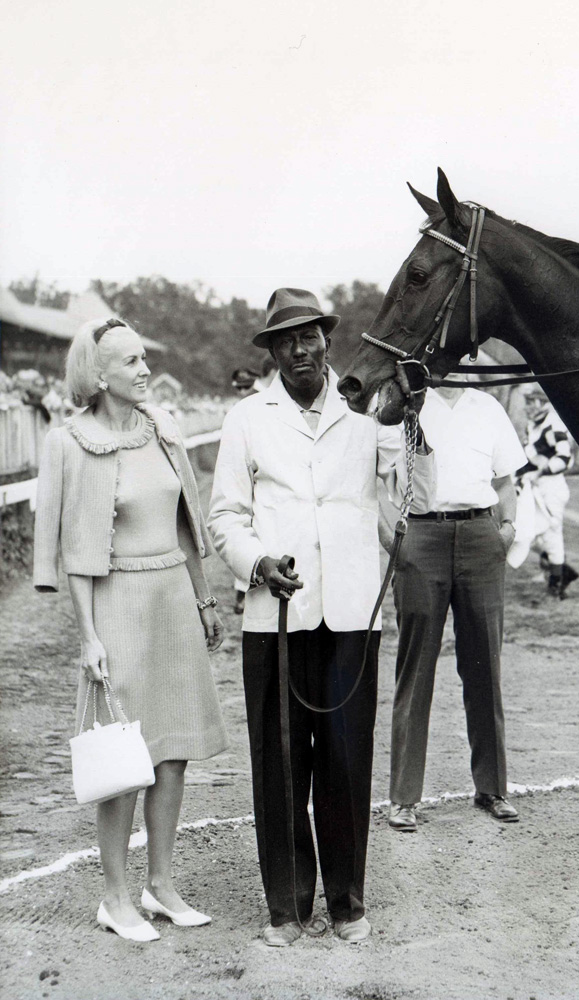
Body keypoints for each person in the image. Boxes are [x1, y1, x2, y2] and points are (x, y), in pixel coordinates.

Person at [207, 288, 404, 946]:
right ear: (271, 350)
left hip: (351, 612)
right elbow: (225, 518)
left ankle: (348, 903)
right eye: (285, 340)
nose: (299, 349)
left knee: (347, 763)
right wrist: (258, 562)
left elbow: (409, 495)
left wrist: (409, 421)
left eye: (309, 336)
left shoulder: (366, 413)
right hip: (277, 617)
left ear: (327, 338)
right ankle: (286, 908)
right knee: (281, 762)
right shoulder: (246, 419)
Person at [34, 317, 229, 943]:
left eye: (145, 358)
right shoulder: (69, 442)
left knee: (172, 753)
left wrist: (205, 601)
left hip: (174, 595)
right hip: (117, 602)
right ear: (98, 375)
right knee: (124, 759)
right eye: (132, 362)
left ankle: (160, 885)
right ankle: (114, 896)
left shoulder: (162, 430)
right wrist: (88, 636)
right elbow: (74, 551)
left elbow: (183, 525)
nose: (146, 370)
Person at [387, 382, 525, 832]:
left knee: (485, 664)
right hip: (422, 536)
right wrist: (394, 539)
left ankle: (493, 788)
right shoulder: (402, 405)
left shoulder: (486, 405)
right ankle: (404, 798)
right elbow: (372, 476)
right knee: (416, 666)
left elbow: (506, 480)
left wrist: (506, 529)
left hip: (479, 536)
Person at [517, 388, 578, 599]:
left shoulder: (554, 423)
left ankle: (556, 583)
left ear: (541, 403)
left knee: (551, 533)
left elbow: (564, 458)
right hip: (535, 485)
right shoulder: (533, 425)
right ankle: (559, 570)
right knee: (530, 532)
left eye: (531, 401)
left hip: (551, 485)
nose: (528, 406)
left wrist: (541, 471)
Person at [227, 368, 259, 614]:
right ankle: (241, 595)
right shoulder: (236, 412)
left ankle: (246, 594)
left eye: (246, 387)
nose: (242, 392)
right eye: (238, 388)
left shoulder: (265, 407)